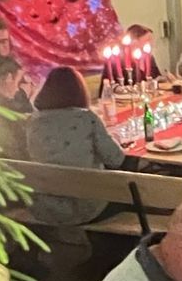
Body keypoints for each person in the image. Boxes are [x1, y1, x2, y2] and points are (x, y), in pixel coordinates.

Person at [18, 67, 126, 227]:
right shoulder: (86, 119)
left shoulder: (32, 122)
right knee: (128, 190)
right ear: (79, 91)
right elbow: (116, 159)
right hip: (84, 208)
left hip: (43, 205)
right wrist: (115, 139)